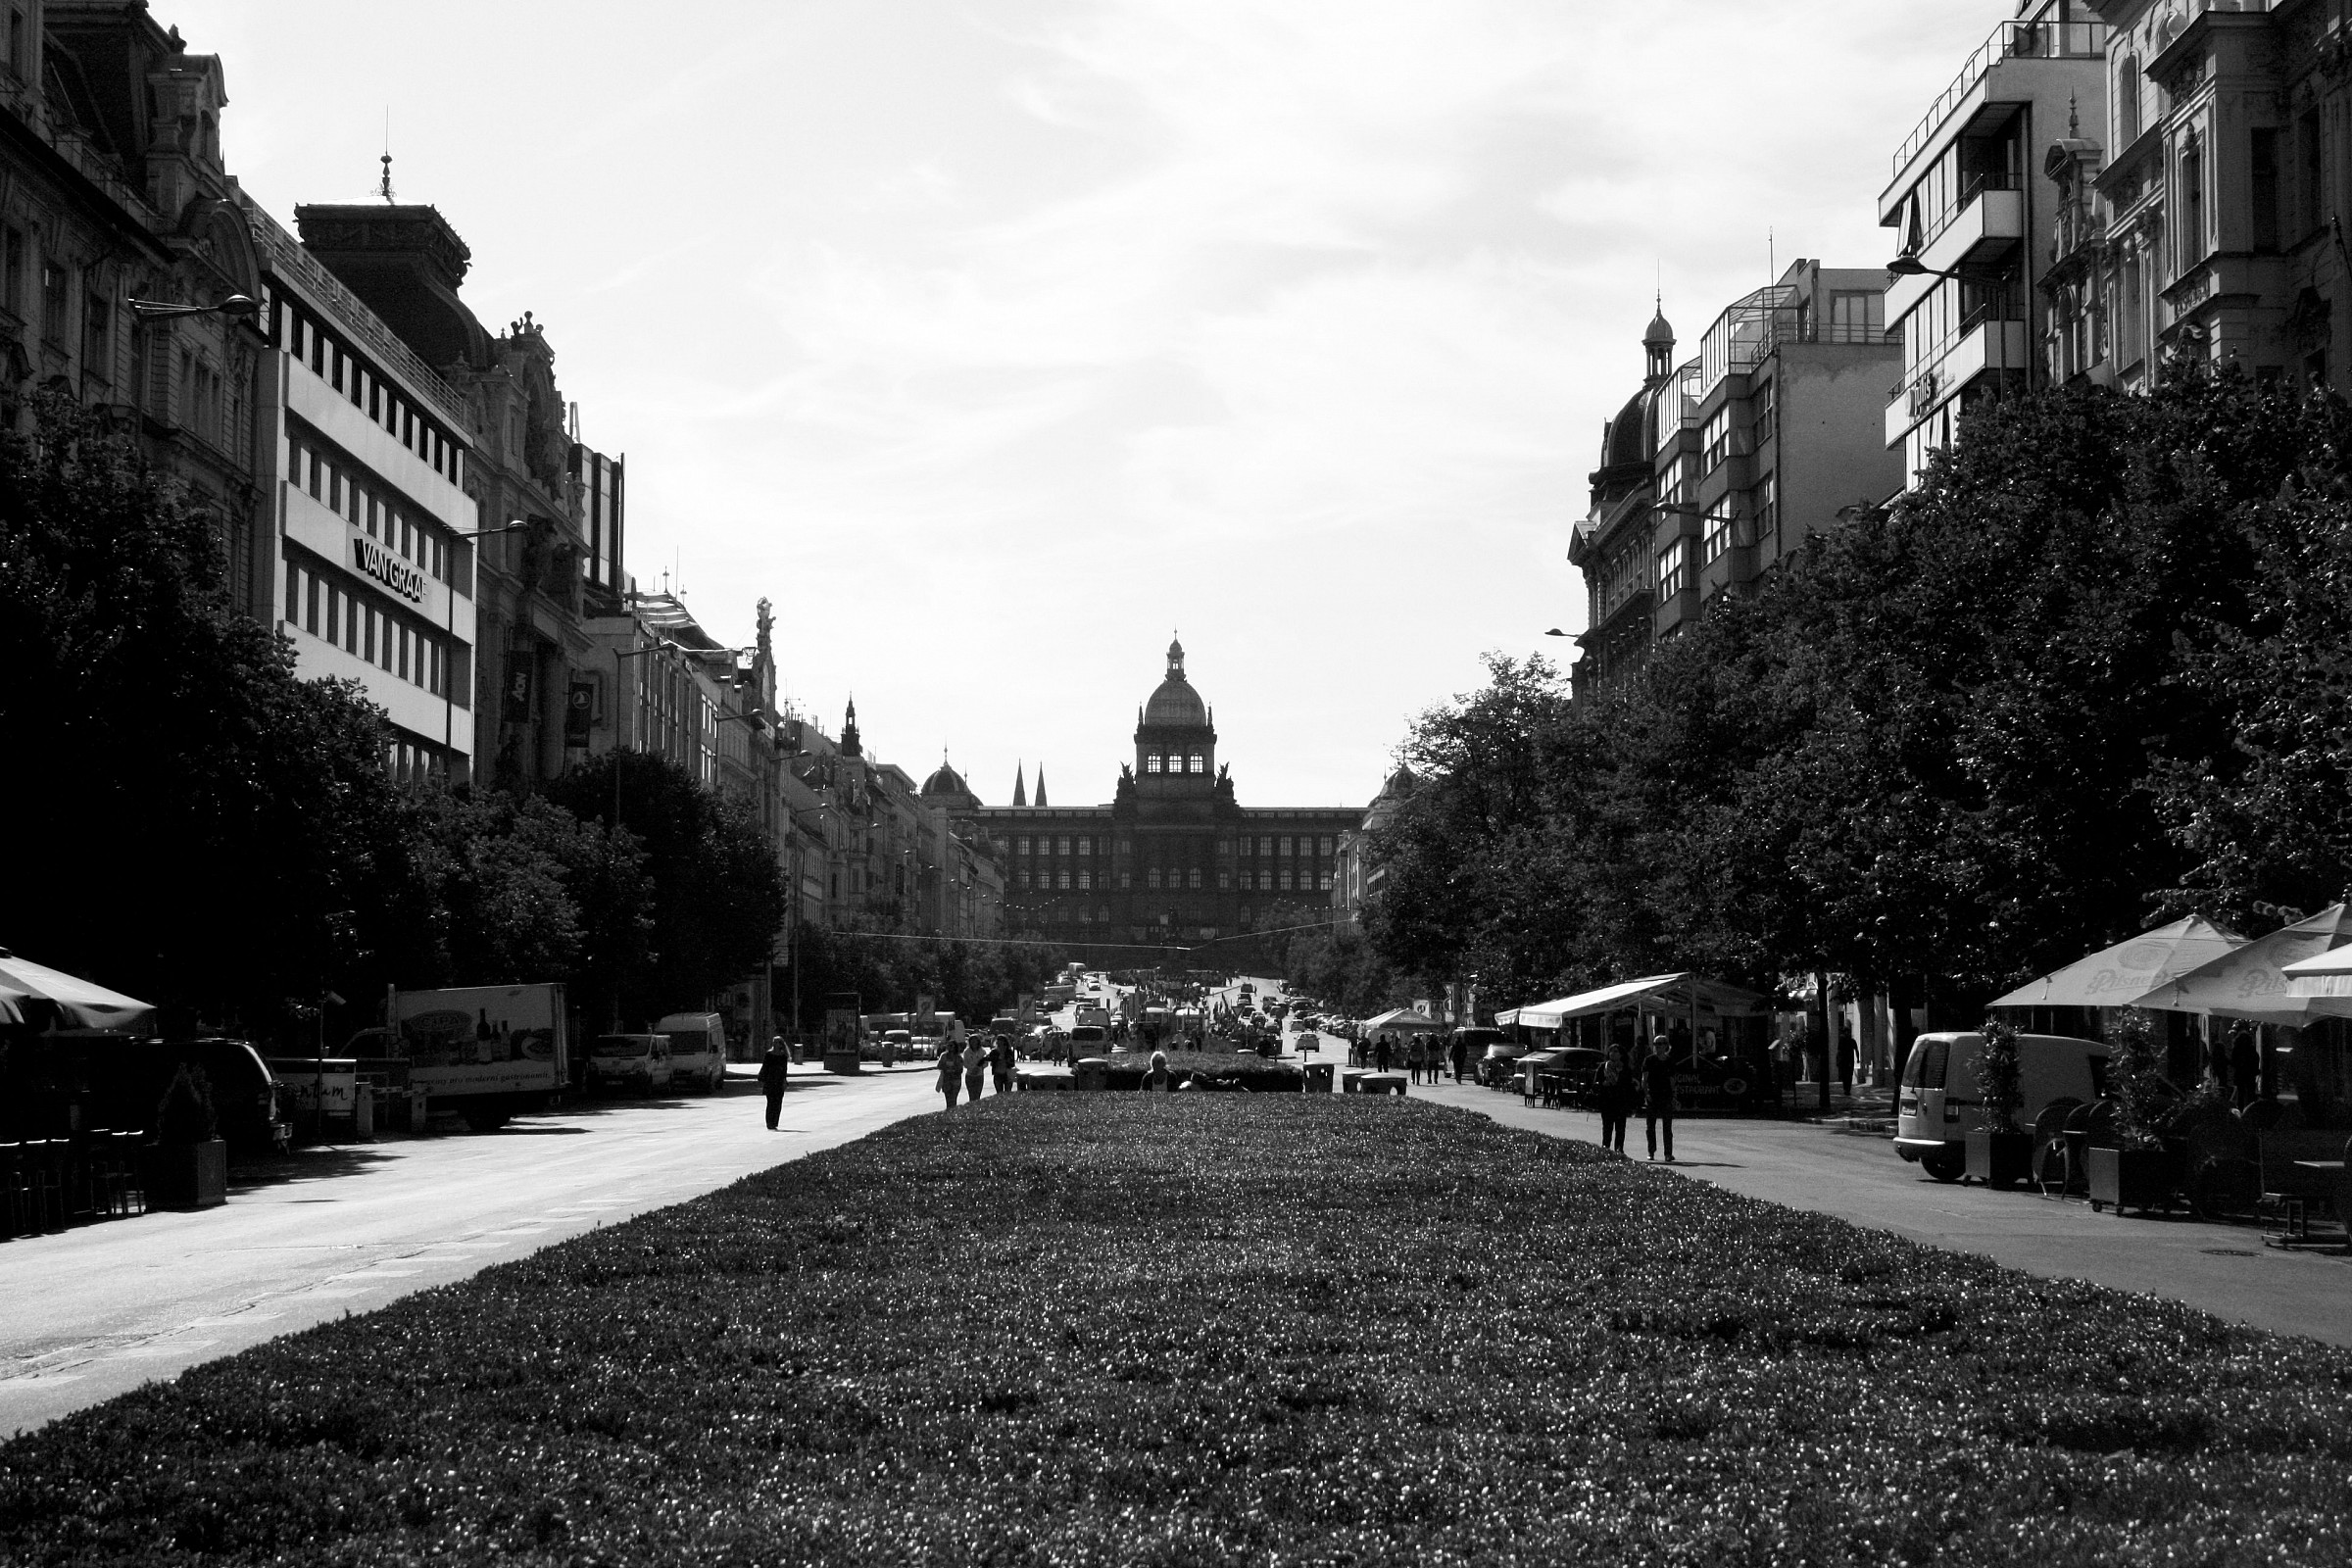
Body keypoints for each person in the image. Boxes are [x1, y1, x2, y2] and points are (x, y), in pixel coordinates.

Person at [1641, 1034, 1678, 1163]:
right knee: (1650, 1126)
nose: (1658, 1046)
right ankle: (1651, 1151)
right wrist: (1646, 1094)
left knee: (1667, 1126)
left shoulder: (1670, 1061)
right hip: (1653, 1095)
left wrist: (1673, 1096)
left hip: (1666, 1095)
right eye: (1656, 1044)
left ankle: (1668, 1153)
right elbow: (1644, 1079)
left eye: (1661, 1044)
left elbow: (1672, 1080)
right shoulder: (1649, 1060)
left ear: (1666, 1045)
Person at [1596, 1050, 1635, 1154]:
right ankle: (1606, 1149)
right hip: (1607, 1101)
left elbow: (1629, 1084)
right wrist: (1603, 1084)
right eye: (1611, 1051)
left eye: (1616, 1051)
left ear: (1621, 1054)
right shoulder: (1603, 1066)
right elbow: (1596, 1082)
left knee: (1620, 1128)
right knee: (1607, 1127)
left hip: (1621, 1101)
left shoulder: (1625, 1068)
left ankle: (1619, 1149)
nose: (1613, 1054)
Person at [758, 1037, 792, 1130]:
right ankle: (769, 1123)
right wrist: (762, 1078)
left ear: (781, 1044)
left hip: (779, 1081)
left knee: (778, 1103)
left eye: (777, 1042)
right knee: (770, 1102)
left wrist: (784, 1081)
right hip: (770, 1081)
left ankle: (775, 1122)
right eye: (774, 1042)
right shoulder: (769, 1054)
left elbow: (784, 1070)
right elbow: (765, 1067)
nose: (775, 1044)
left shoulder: (783, 1056)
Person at [936, 1038, 964, 1109]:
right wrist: (946, 1067)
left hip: (956, 1080)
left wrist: (954, 1069)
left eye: (951, 1045)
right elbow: (939, 1066)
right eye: (948, 1045)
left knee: (954, 1098)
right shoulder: (944, 1056)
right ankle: (948, 1111)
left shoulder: (958, 1057)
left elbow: (960, 1069)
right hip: (946, 1080)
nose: (950, 1047)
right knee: (948, 1099)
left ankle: (953, 1112)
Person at [990, 1032, 1015, 1096]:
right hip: (998, 1074)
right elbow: (992, 1062)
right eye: (998, 1041)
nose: (1000, 1043)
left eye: (1001, 1041)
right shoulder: (994, 1052)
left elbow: (1012, 1064)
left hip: (1008, 1074)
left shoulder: (1009, 1052)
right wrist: (998, 1057)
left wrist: (1007, 1059)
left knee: (1008, 1093)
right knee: (999, 1094)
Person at [964, 1036, 988, 1102]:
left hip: (979, 1075)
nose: (974, 1042)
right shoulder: (967, 1052)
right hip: (970, 1076)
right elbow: (965, 1064)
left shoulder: (982, 1051)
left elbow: (986, 1063)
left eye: (975, 1041)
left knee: (977, 1096)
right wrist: (973, 1068)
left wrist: (979, 1068)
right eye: (972, 1041)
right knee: (971, 1095)